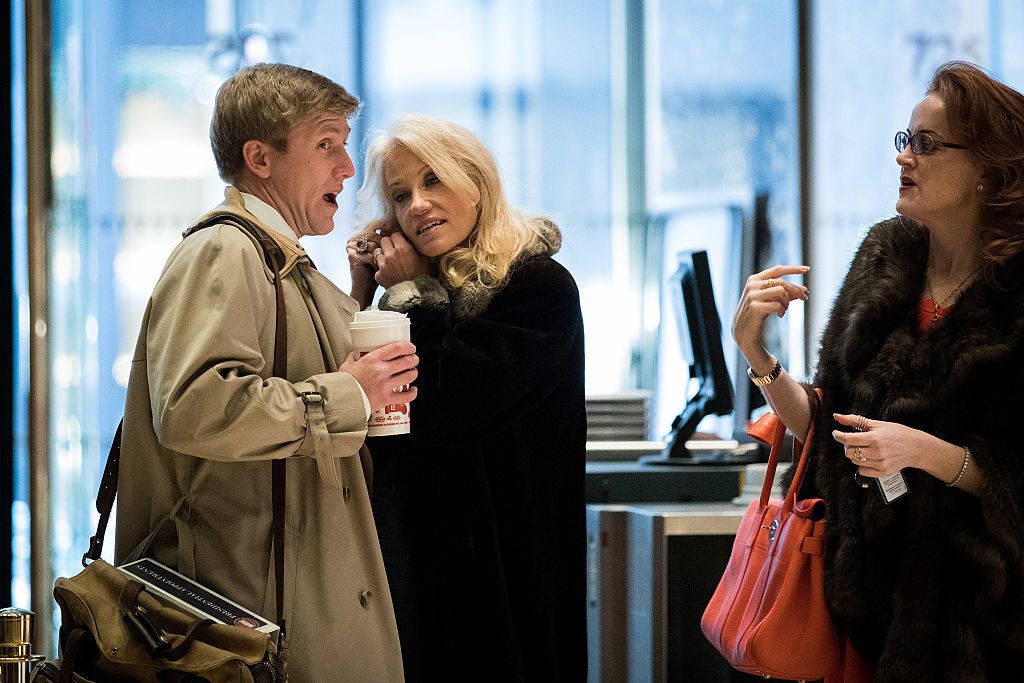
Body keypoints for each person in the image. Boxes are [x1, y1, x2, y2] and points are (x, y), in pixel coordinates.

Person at [114, 63, 419, 682]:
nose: (348, 168)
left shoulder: (276, 260)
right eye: (326, 144)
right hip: (246, 634)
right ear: (260, 157)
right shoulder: (225, 250)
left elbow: (300, 378)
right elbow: (196, 406)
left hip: (274, 619)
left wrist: (357, 298)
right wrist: (348, 397)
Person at [732, 60, 1024, 680]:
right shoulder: (884, 257)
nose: (904, 158)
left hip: (985, 621)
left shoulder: (1014, 295)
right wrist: (759, 356)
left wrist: (927, 452)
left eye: (926, 145)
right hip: (866, 608)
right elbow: (831, 423)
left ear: (988, 170)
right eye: (905, 140)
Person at [347, 114, 587, 682]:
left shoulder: (538, 287)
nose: (419, 205)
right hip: (423, 557)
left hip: (506, 563)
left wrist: (413, 295)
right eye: (401, 195)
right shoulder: (410, 294)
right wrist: (363, 294)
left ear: (477, 182)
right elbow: (371, 409)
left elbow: (445, 398)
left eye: (434, 181)